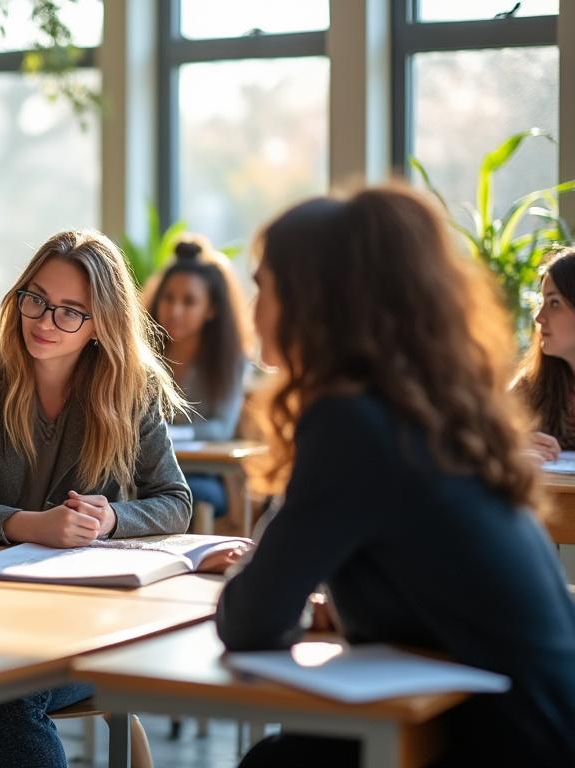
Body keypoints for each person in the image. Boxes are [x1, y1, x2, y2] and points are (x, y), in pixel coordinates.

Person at [216, 186, 575, 766]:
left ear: (313, 298)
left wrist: (290, 594)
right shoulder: (427, 407)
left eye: (262, 284)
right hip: (544, 719)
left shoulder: (351, 420)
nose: (251, 310)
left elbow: (250, 619)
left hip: (504, 741)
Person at [0, 229, 239, 768]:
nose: (45, 321)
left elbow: (174, 499)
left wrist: (114, 517)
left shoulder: (128, 387)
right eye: (37, 300)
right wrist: (27, 524)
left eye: (71, 311)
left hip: (87, 615)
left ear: (102, 325)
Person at [146, 234, 253, 520]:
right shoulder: (143, 353)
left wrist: (166, 433)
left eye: (189, 301)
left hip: (201, 473)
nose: (175, 310)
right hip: (143, 468)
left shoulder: (230, 359)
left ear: (212, 309)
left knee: (189, 493)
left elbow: (222, 429)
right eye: (168, 298)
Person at [514, 247, 575, 461]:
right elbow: (473, 442)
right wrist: (513, 445)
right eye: (541, 303)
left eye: (554, 303)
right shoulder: (530, 386)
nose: (539, 317)